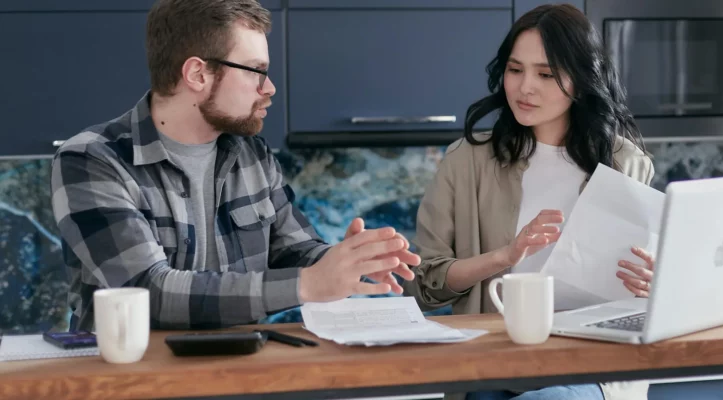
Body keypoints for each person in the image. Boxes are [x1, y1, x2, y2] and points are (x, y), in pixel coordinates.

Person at [51, 0, 419, 332]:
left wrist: (347, 261)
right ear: (198, 74)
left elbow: (294, 251)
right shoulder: (92, 160)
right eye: (255, 70)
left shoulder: (251, 154)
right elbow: (147, 292)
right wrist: (309, 284)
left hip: (240, 369)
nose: (270, 87)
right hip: (134, 379)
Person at [405, 4, 655, 400]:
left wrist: (653, 283)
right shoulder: (465, 161)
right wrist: (505, 256)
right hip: (492, 362)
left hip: (595, 363)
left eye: (546, 74)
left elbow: (645, 286)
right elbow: (423, 286)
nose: (525, 88)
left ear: (581, 80)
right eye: (515, 69)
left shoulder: (626, 163)